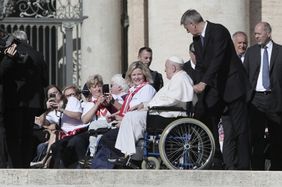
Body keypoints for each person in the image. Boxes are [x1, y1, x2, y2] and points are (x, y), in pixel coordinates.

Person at [180, 9, 250, 169]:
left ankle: (244, 166)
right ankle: (216, 160)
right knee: (207, 115)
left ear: (193, 24)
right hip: (216, 87)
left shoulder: (219, 31)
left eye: (186, 27)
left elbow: (217, 60)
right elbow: (200, 65)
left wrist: (203, 83)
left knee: (240, 128)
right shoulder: (196, 39)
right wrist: (196, 84)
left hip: (233, 85)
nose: (187, 31)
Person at [113, 56, 197, 164]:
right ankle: (129, 154)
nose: (164, 70)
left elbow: (171, 100)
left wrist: (148, 106)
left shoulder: (181, 79)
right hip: (163, 113)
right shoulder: (178, 78)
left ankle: (129, 155)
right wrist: (145, 104)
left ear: (173, 68)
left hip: (167, 116)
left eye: (166, 67)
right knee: (131, 116)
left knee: (131, 117)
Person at [91, 61, 156, 169]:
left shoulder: (148, 89)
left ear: (144, 74)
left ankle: (103, 167)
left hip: (136, 126)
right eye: (134, 75)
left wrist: (122, 121)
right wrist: (116, 116)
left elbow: (141, 112)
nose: (136, 77)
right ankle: (98, 165)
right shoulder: (132, 91)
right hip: (126, 122)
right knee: (100, 135)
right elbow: (127, 110)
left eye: (139, 74)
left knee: (107, 138)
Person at [0, 30, 48, 168]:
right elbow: (45, 80)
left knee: (13, 136)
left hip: (14, 101)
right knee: (27, 135)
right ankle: (24, 166)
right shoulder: (37, 54)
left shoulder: (9, 52)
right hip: (33, 103)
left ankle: (15, 167)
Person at [244, 22, 282, 170]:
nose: (256, 36)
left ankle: (277, 171)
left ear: (268, 33)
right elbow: (245, 75)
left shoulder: (280, 51)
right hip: (255, 100)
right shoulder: (251, 52)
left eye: (259, 33)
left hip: (275, 100)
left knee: (277, 138)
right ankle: (257, 171)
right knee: (256, 138)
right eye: (255, 33)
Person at [47, 85, 89, 168]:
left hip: (82, 131)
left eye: (55, 93)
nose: (54, 96)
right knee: (55, 146)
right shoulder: (55, 111)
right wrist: (47, 109)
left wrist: (61, 110)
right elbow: (41, 123)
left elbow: (77, 116)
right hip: (68, 135)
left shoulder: (77, 102)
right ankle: (58, 172)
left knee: (74, 142)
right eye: (50, 95)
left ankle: (82, 168)